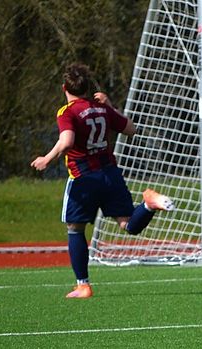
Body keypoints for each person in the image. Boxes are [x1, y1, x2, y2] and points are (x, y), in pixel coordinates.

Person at [31, 63, 174, 298]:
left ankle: (83, 285)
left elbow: (67, 142)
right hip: (110, 174)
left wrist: (47, 158)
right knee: (128, 224)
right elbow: (131, 129)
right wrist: (110, 106)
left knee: (75, 228)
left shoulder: (67, 112)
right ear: (88, 87)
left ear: (64, 87)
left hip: (83, 178)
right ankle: (149, 204)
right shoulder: (102, 108)